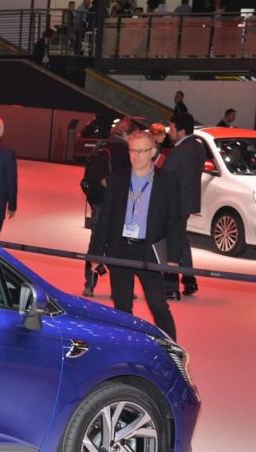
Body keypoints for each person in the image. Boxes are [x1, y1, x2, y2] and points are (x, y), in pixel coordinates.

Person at [89, 131, 182, 340]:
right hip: (120, 249)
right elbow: (105, 219)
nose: (135, 156)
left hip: (149, 250)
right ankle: (127, 347)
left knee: (158, 306)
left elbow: (174, 222)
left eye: (141, 151)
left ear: (153, 152)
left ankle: (172, 350)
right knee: (122, 307)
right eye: (132, 150)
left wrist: (174, 258)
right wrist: (95, 253)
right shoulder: (117, 179)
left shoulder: (167, 181)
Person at [82, 118, 132, 296]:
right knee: (119, 245)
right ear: (127, 134)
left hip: (98, 202)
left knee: (96, 242)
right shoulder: (125, 152)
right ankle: (120, 287)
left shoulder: (101, 146)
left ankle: (89, 284)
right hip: (116, 205)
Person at [162, 111, 204, 299]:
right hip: (188, 203)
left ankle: (171, 288)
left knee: (172, 243)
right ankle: (189, 279)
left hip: (174, 204)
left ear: (181, 131)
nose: (169, 132)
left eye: (171, 129)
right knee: (181, 241)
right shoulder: (198, 147)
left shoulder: (178, 152)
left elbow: (164, 175)